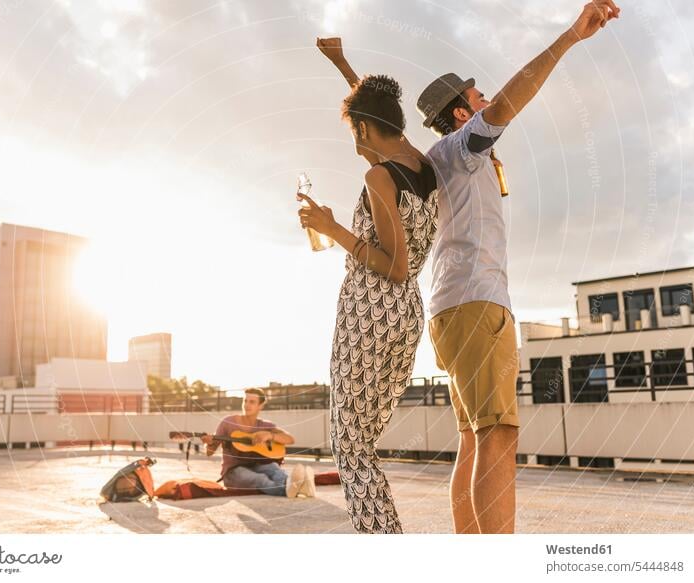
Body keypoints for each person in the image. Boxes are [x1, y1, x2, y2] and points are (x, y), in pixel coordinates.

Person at [316, 0, 621, 534]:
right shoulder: (464, 148)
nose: (484, 101)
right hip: (479, 304)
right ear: (463, 114)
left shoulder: (430, 157)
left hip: (447, 310)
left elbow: (381, 121)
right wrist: (572, 35)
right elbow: (512, 97)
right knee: (498, 435)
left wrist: (344, 67)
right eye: (475, 98)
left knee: (474, 437)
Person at [297, 73, 440, 533]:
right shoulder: (421, 163)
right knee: (361, 439)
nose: (353, 144)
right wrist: (343, 68)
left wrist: (331, 226)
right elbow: (381, 115)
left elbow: (392, 265)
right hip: (407, 312)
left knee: (349, 441)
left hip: (371, 311)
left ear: (361, 127)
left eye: (353, 132)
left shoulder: (378, 176)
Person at [201, 388, 315, 498]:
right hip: (233, 472)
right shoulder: (228, 422)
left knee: (273, 468)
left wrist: (270, 435)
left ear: (260, 405)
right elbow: (209, 453)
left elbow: (290, 439)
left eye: (252, 402)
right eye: (245, 401)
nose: (246, 405)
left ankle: (297, 487)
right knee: (260, 479)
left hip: (258, 466)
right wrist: (210, 443)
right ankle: (295, 488)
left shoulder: (265, 425)